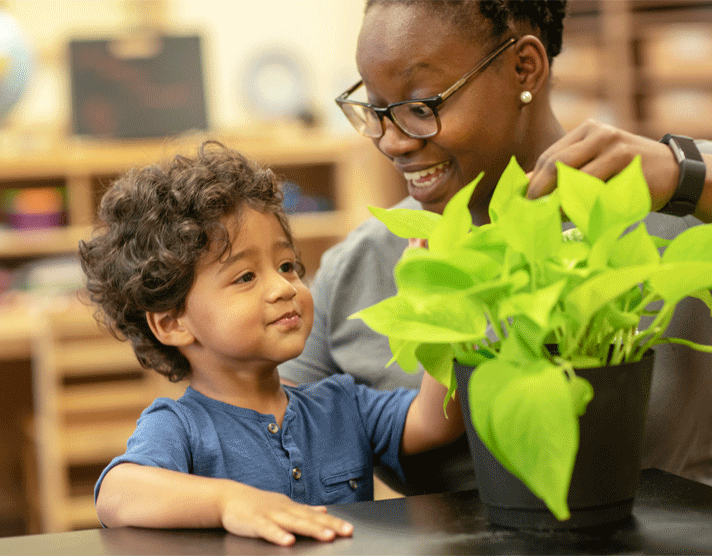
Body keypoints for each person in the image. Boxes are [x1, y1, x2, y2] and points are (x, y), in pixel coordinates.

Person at [279, 0, 712, 494]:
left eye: (421, 106)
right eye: (375, 110)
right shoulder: (361, 266)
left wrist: (685, 176)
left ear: (525, 67)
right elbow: (265, 443)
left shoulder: (676, 193)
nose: (392, 142)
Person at [78, 141, 464, 547]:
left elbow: (435, 422)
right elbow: (116, 495)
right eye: (245, 277)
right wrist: (229, 502)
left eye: (287, 266)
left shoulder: (342, 404)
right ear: (173, 323)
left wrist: (441, 306)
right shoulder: (181, 427)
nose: (284, 287)